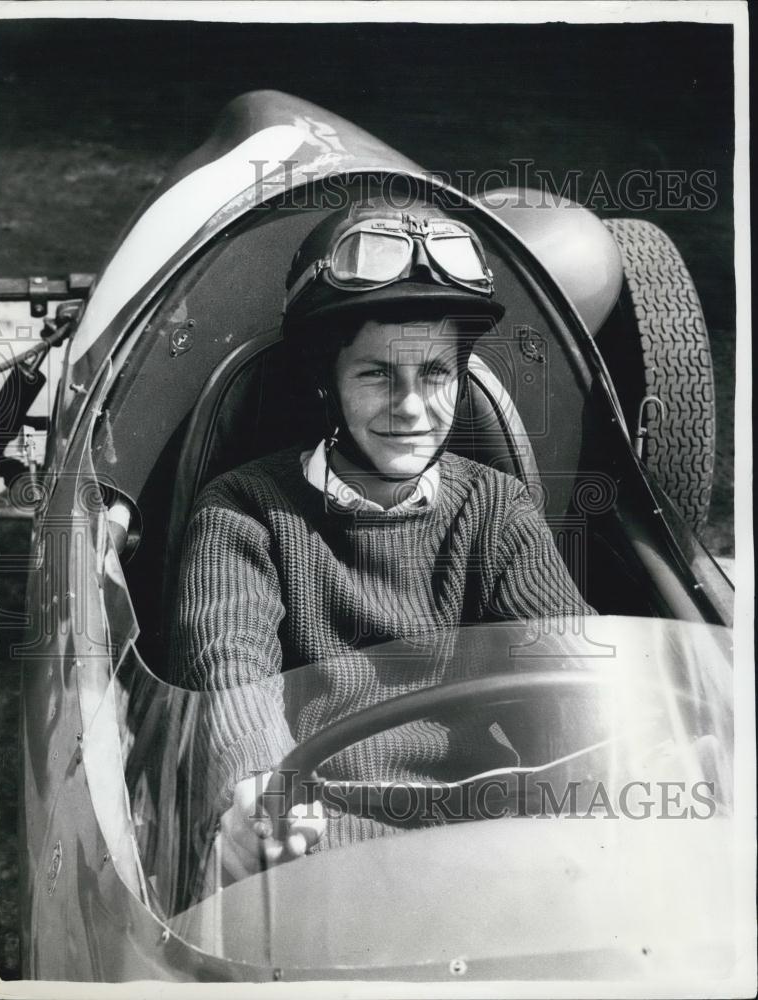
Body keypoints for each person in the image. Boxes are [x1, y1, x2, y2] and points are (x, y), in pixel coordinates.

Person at [169, 196, 593, 883]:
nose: (412, 408)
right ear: (326, 383)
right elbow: (229, 663)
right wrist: (262, 793)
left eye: (435, 374)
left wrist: (622, 753)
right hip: (315, 841)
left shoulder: (494, 505)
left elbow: (570, 655)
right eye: (376, 375)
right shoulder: (244, 510)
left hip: (485, 845)